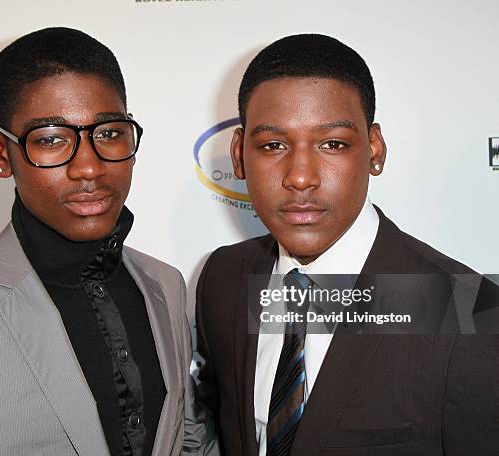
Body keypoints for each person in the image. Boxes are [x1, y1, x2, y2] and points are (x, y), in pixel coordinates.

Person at [0, 27, 197, 456]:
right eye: (51, 139)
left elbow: (185, 437)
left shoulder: (165, 284)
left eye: (108, 133)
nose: (88, 167)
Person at [194, 34, 499, 455]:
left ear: (374, 149)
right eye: (273, 145)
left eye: (332, 144)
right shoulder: (224, 279)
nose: (300, 177)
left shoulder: (469, 312)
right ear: (239, 155)